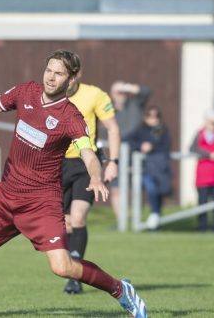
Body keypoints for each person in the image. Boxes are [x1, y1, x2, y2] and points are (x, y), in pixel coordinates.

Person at [0, 50, 147, 318]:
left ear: (72, 79)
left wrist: (96, 176)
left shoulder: (71, 116)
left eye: (59, 73)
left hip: (41, 202)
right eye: (49, 70)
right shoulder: (25, 92)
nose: (51, 78)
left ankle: (120, 290)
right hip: (6, 193)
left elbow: (88, 153)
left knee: (63, 268)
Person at [60, 71, 120, 294]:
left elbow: (113, 128)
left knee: (78, 217)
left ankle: (75, 276)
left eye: (68, 75)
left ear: (77, 75)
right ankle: (70, 269)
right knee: (64, 224)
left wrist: (113, 162)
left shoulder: (94, 94)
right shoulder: (49, 94)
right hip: (56, 164)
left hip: (86, 163)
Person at [107, 81, 151, 223]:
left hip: (135, 153)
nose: (121, 95)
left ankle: (134, 220)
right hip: (116, 154)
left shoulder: (134, 105)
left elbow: (146, 91)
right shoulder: (108, 109)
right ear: (112, 94)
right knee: (116, 189)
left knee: (134, 188)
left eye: (123, 93)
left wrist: (126, 87)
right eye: (118, 92)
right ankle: (121, 222)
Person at [127, 106, 172, 230]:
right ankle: (153, 215)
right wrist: (140, 146)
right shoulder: (140, 129)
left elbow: (166, 146)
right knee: (151, 189)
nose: (153, 119)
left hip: (159, 168)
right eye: (150, 116)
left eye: (156, 116)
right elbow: (128, 140)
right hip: (144, 168)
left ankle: (156, 219)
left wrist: (152, 147)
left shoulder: (163, 130)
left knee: (159, 193)